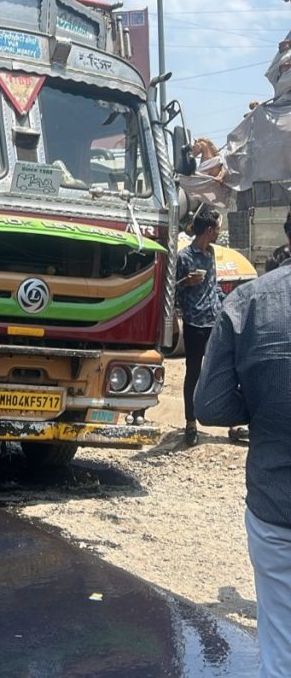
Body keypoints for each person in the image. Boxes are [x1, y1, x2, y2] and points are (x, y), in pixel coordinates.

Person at [194, 210, 291, 678]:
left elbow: (211, 406)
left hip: (276, 507)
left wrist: (261, 406)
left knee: (281, 648)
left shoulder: (249, 301)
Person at [176, 208, 224, 446]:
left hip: (214, 320)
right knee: (193, 372)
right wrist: (186, 281)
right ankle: (190, 423)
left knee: (222, 370)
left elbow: (213, 285)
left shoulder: (211, 253)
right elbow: (172, 289)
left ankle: (230, 422)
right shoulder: (183, 257)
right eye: (218, 229)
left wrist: (225, 305)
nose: (219, 233)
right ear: (209, 230)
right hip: (194, 322)